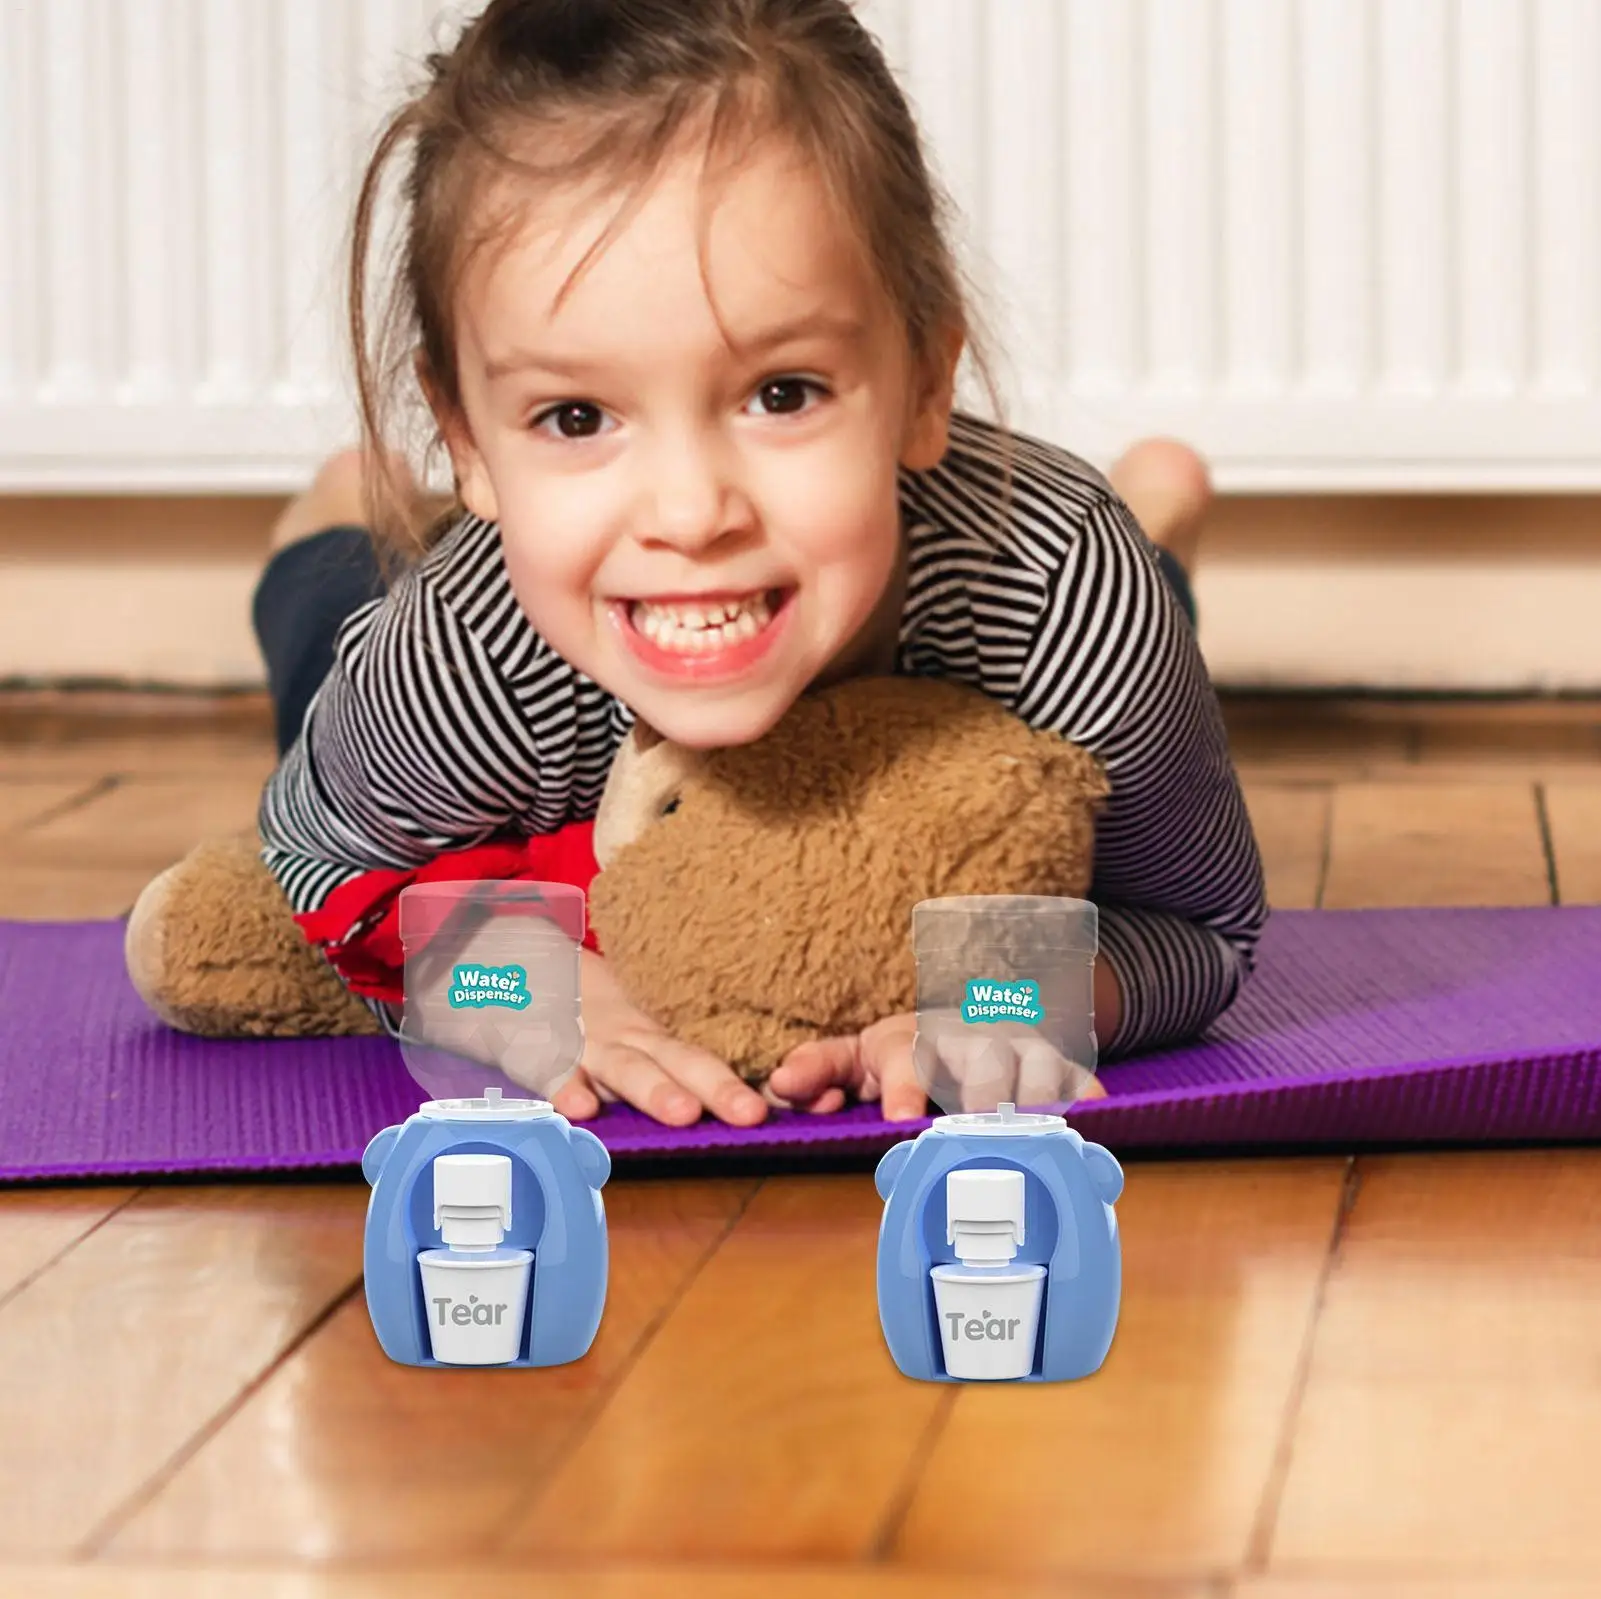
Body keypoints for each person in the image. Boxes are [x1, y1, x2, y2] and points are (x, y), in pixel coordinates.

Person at [252, 0, 1266, 1129]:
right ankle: (335, 507)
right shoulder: (462, 649)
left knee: (1128, 600)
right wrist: (517, 987)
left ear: (926, 385)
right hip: (420, 610)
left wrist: (1008, 994)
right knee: (333, 609)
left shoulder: (1057, 585)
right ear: (466, 444)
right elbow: (316, 858)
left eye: (781, 393)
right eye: (576, 414)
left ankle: (1153, 515)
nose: (690, 514)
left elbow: (1197, 923)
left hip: (1039, 573)